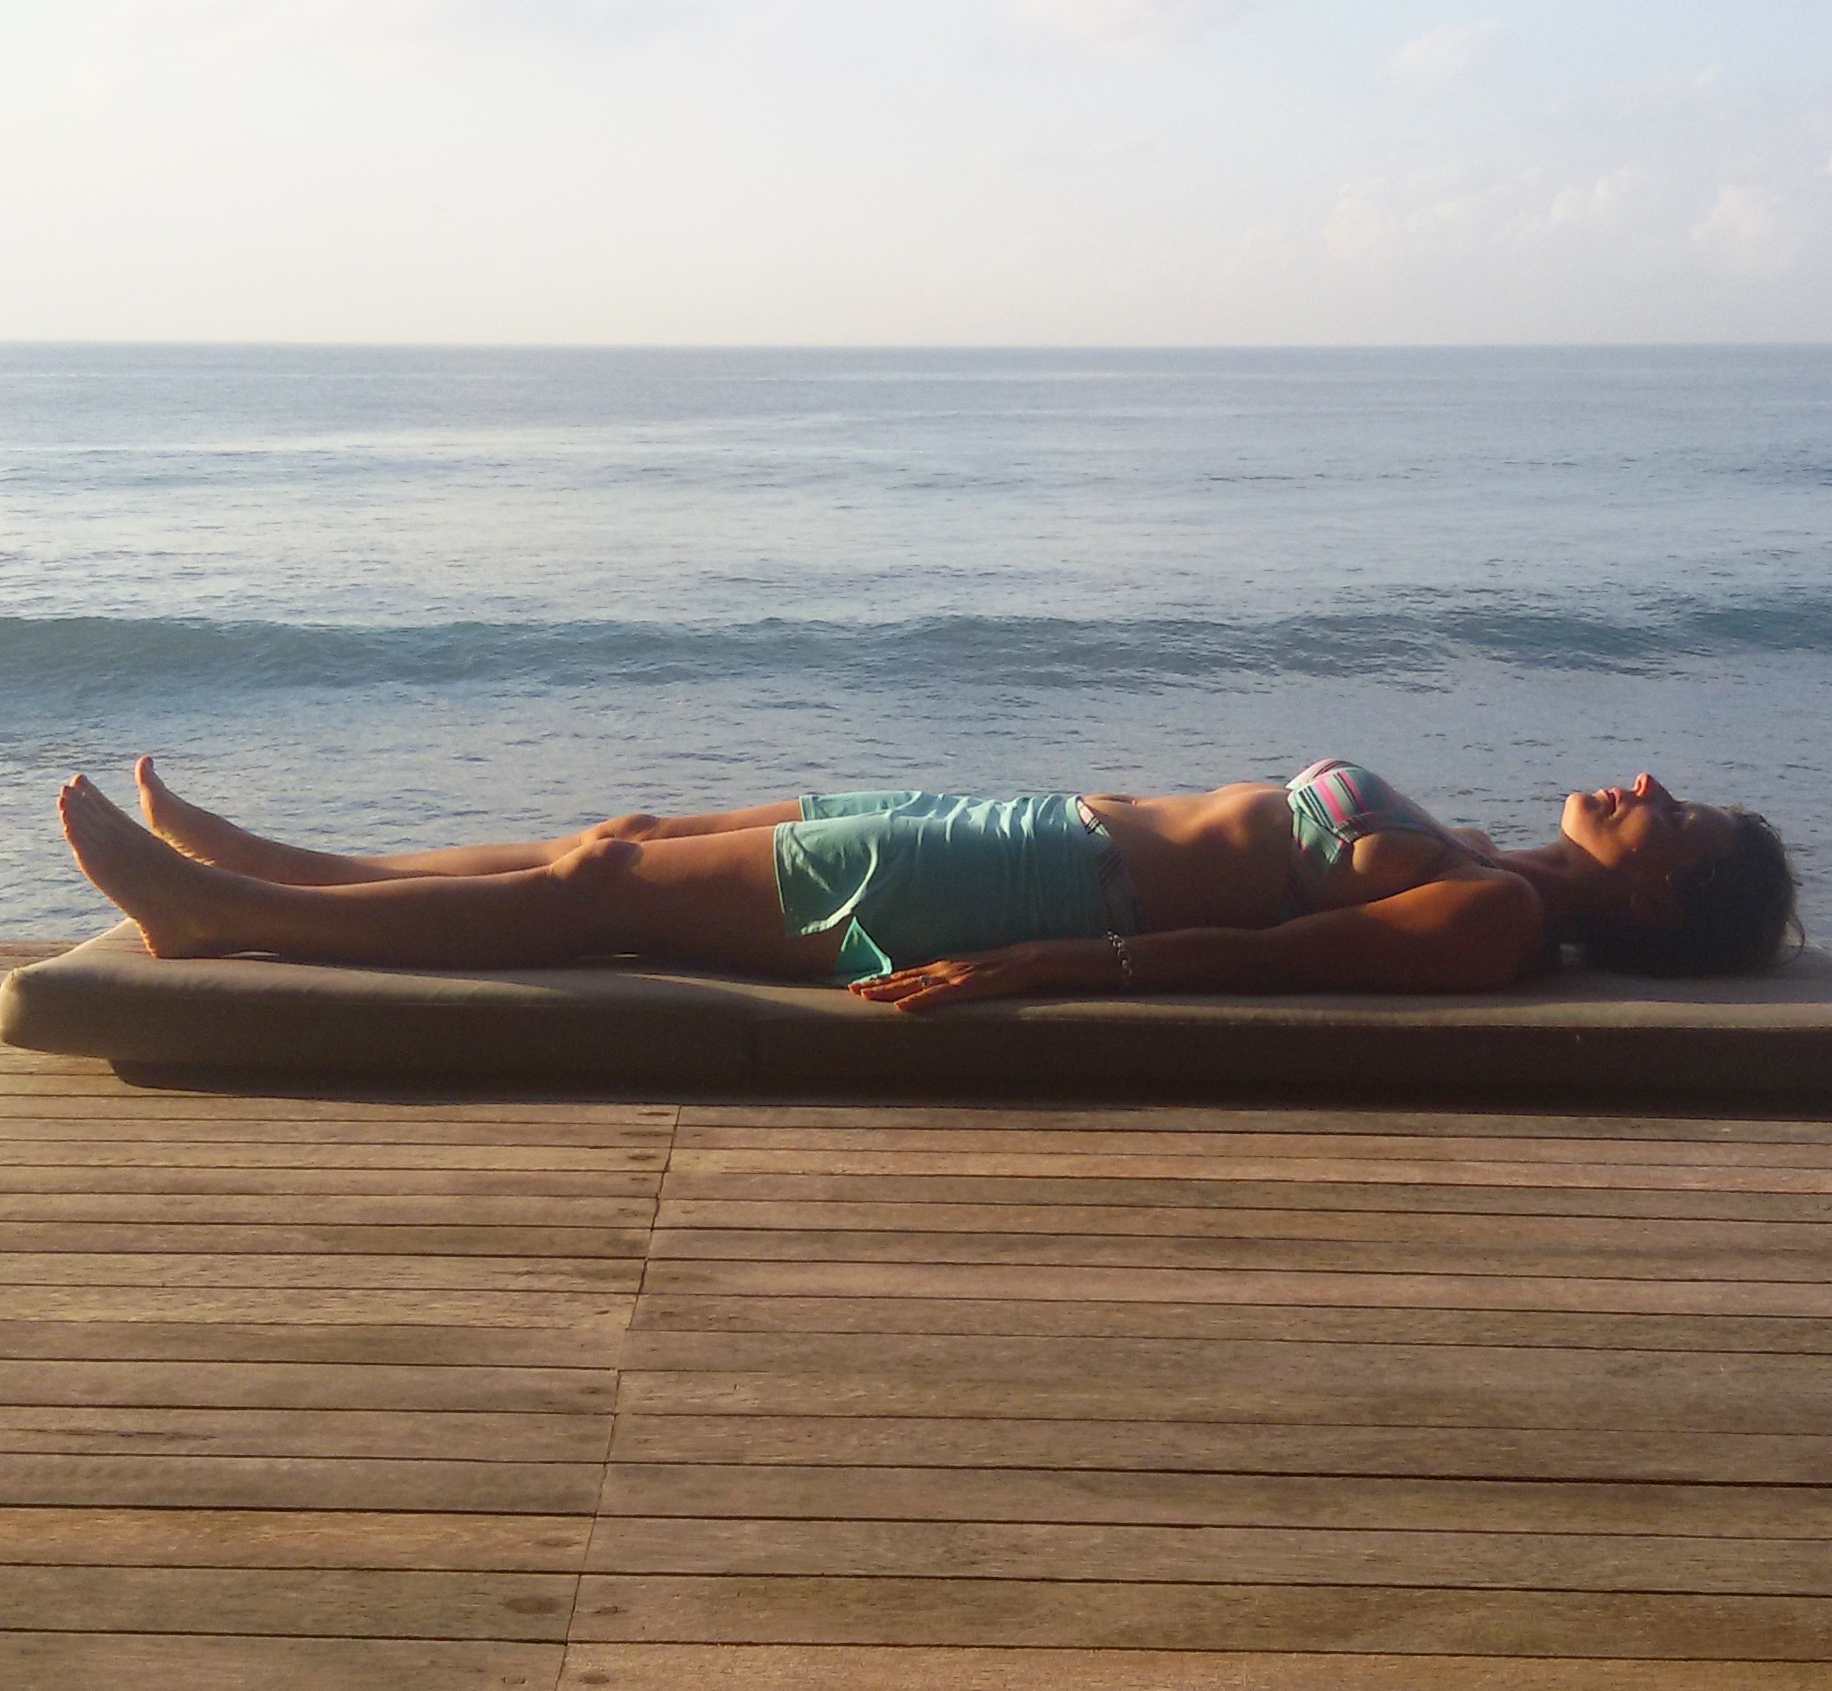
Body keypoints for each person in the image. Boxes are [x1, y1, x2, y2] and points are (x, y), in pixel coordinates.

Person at [57, 755, 1797, 1009]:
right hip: (1021, 828)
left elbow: (1265, 955)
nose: (1652, 786)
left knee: (604, 884)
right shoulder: (1495, 860)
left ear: (1660, 906)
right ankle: (288, 869)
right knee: (636, 835)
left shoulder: (1499, 914)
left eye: (1687, 822)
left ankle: (233, 921)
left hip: (1020, 894)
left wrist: (1045, 971)